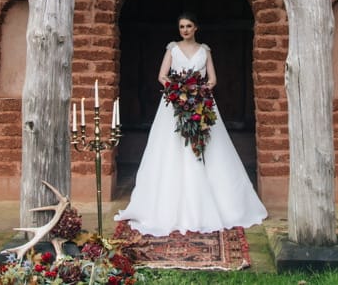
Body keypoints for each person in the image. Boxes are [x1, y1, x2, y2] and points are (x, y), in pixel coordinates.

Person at [114, 13, 267, 236]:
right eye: (181, 26)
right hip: (175, 104)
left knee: (208, 147)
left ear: (196, 28)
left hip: (200, 102)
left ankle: (221, 204)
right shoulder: (172, 49)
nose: (185, 30)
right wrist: (177, 89)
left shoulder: (205, 51)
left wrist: (199, 90)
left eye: (188, 26)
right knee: (171, 147)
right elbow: (162, 76)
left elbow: (212, 79)